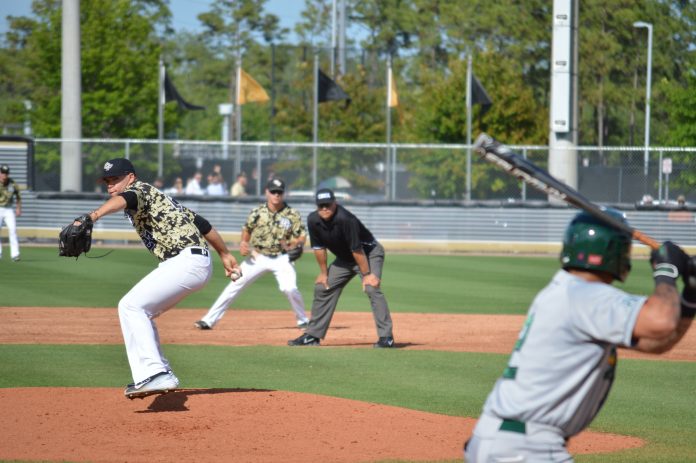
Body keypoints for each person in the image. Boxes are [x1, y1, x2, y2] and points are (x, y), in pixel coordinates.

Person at [464, 209, 695, 463]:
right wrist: (667, 271)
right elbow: (661, 322)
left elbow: (656, 344)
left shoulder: (571, 290)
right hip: (527, 448)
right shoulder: (587, 297)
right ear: (616, 252)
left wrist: (691, 295)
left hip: (510, 441)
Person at [75, 158, 240, 399]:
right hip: (191, 261)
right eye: (107, 181)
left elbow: (126, 199)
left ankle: (156, 374)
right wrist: (224, 253)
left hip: (185, 261)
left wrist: (93, 215)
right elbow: (202, 224)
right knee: (142, 311)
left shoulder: (139, 190)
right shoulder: (161, 199)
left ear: (130, 177)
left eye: (115, 179)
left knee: (131, 306)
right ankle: (158, 374)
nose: (110, 185)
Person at [195, 178, 309, 330]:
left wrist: (297, 244)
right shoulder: (257, 212)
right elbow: (247, 229)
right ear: (267, 192)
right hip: (258, 256)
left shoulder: (292, 214)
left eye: (279, 192)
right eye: (273, 191)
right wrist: (243, 243)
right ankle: (208, 320)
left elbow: (301, 235)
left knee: (289, 288)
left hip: (282, 257)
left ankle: (303, 320)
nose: (276, 195)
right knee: (234, 285)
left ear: (284, 194)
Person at [288, 188, 395, 348]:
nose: (324, 208)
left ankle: (386, 338)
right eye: (321, 205)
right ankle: (312, 335)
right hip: (345, 260)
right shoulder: (313, 220)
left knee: (372, 288)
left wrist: (367, 275)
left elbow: (357, 250)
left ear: (334, 203)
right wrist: (324, 273)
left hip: (369, 254)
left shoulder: (346, 219)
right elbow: (319, 248)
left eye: (328, 204)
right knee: (322, 287)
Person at [0, 164, 22, 261]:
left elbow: (18, 196)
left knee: (13, 230)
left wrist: (18, 208)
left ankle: (15, 254)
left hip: (9, 209)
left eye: (6, 173)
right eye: (3, 173)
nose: (5, 175)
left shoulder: (12, 183)